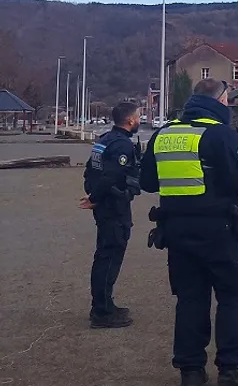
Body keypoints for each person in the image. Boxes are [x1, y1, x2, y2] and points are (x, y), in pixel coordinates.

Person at [140, 79, 238, 386]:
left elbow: (147, 181)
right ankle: (232, 370)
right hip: (220, 232)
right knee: (234, 295)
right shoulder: (220, 135)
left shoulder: (163, 134)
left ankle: (191, 372)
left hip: (176, 232)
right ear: (222, 101)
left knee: (190, 299)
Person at [80, 101, 142, 329]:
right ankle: (102, 311)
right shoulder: (121, 145)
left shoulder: (104, 140)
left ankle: (105, 304)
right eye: (137, 117)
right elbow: (111, 177)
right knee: (109, 257)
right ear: (130, 120)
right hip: (113, 206)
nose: (139, 120)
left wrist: (92, 194)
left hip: (105, 205)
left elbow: (90, 170)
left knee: (105, 255)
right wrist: (95, 198)